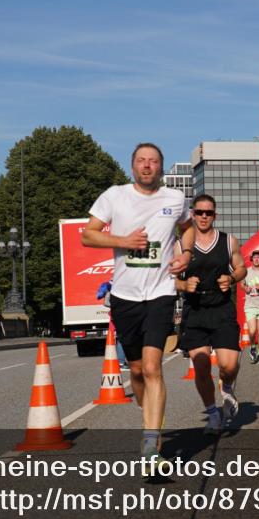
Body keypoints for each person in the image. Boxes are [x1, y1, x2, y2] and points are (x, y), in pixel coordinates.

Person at [81, 142, 194, 463]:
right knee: (136, 371)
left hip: (160, 294)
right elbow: (88, 235)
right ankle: (150, 414)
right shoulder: (114, 196)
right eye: (142, 161)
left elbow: (186, 229)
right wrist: (123, 241)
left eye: (153, 161)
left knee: (152, 368)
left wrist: (185, 254)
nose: (147, 166)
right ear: (133, 166)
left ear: (161, 167)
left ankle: (150, 441)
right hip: (125, 297)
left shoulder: (174, 198)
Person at [175, 194, 247, 434]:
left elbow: (241, 268)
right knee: (202, 365)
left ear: (214, 215)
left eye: (208, 213)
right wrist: (184, 285)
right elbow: (168, 279)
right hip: (194, 311)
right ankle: (213, 414)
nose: (204, 217)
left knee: (229, 365)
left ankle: (226, 387)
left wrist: (232, 278)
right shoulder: (180, 245)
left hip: (221, 308)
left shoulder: (228, 241)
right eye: (199, 212)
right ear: (192, 215)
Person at [242, 250, 259, 363]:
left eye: (258, 257)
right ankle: (253, 347)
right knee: (252, 331)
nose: (256, 259)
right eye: (254, 257)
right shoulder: (246, 272)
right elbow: (241, 283)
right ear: (251, 259)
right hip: (250, 304)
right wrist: (245, 288)